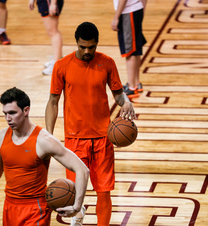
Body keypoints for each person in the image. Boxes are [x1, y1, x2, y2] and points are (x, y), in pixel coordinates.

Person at [45, 22, 136, 226]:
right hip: (74, 141)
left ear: (97, 43)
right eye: (82, 47)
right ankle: (76, 218)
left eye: (91, 47)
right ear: (76, 43)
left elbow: (118, 94)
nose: (87, 51)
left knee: (104, 191)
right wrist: (49, 135)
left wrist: (127, 102)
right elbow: (53, 101)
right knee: (73, 192)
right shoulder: (62, 66)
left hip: (103, 139)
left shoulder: (107, 63)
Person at [0, 87, 89, 226]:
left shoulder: (44, 140)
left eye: (12, 113)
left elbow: (82, 169)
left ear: (26, 111)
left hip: (36, 210)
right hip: (9, 207)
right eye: (5, 113)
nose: (8, 118)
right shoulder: (0, 138)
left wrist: (77, 206)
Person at [111, 0, 147, 98]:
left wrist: (116, 17)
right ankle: (136, 83)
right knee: (136, 49)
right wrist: (142, 10)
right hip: (136, 10)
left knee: (130, 51)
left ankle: (132, 88)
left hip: (128, 12)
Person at [29, 0, 63, 75]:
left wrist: (53, 3)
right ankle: (57, 58)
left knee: (53, 32)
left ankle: (56, 64)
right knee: (51, 32)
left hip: (49, 2)